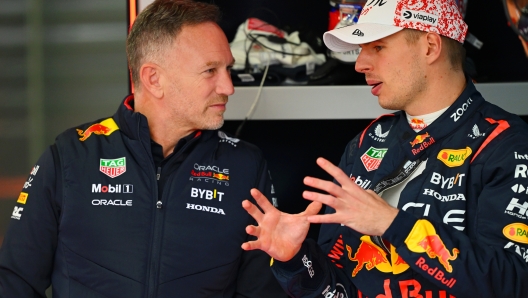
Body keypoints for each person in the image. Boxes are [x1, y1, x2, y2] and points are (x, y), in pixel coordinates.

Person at [241, 0, 528, 297]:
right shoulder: (369, 141)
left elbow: (514, 283)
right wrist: (296, 260)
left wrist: (392, 224)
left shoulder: (506, 145)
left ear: (430, 47)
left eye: (378, 47)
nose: (360, 64)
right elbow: (339, 289)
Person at [0, 0, 287, 297]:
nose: (228, 87)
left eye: (228, 69)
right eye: (210, 71)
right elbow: (14, 283)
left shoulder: (245, 166)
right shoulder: (70, 157)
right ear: (154, 78)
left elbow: (262, 291)